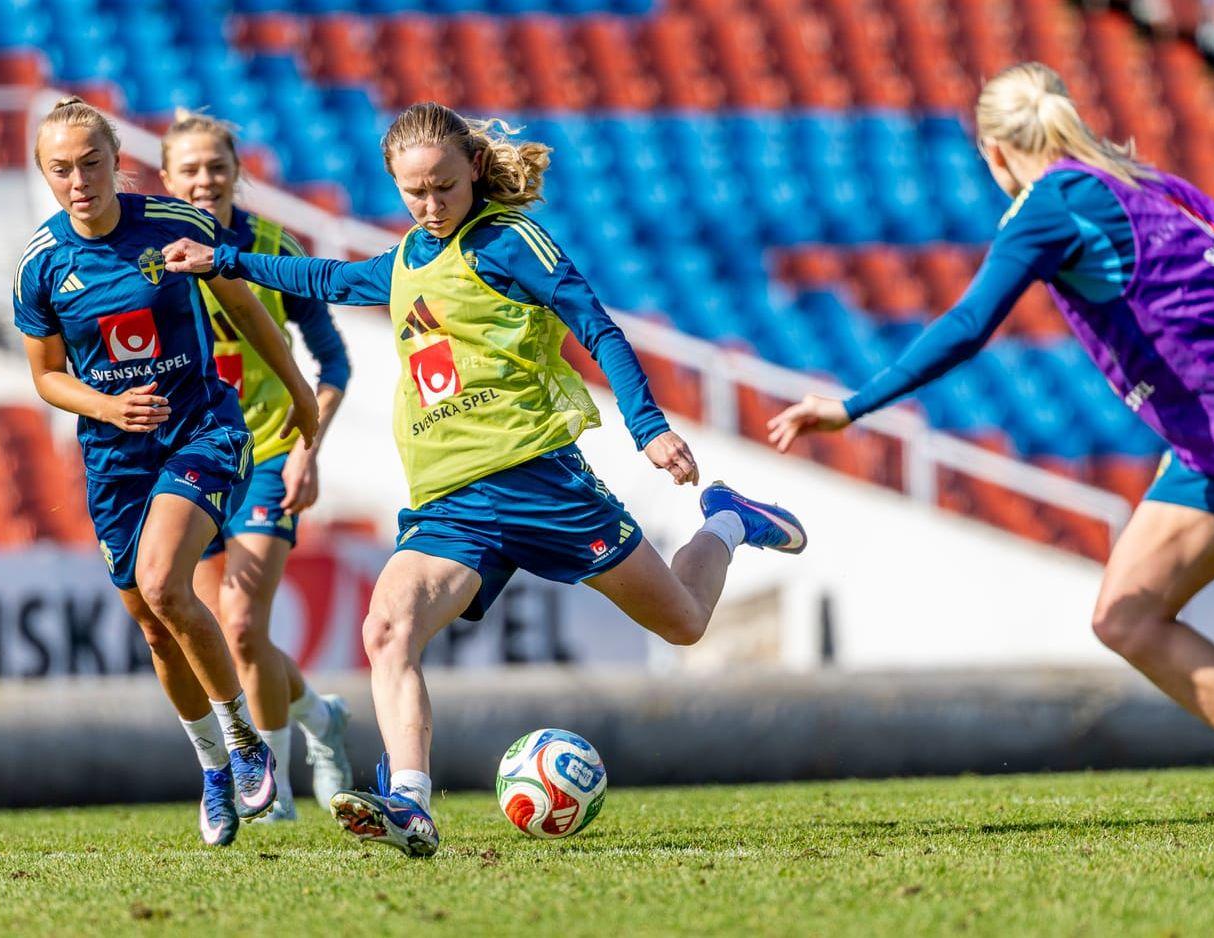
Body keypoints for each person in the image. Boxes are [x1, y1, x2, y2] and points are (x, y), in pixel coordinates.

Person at [163, 101, 808, 858]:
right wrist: (226, 260)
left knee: (685, 622)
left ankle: (727, 519)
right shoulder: (406, 260)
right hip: (447, 504)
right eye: (414, 192)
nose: (430, 205)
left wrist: (650, 429)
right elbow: (329, 276)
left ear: (473, 166)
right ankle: (410, 803)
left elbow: (596, 326)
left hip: (539, 482)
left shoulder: (506, 241)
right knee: (387, 629)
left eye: (442, 187)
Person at [768, 62, 1214, 870]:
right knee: (1124, 612)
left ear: (995, 151)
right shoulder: (1151, 182)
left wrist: (852, 405)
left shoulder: (1044, 206)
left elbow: (973, 322)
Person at [15, 97, 320, 846]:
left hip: (203, 429)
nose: (80, 180)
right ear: (44, 175)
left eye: (92, 163)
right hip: (115, 458)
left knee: (163, 583)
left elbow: (246, 310)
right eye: (62, 169)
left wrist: (299, 389)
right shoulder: (41, 265)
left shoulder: (176, 225)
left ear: (119, 160)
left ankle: (247, 742)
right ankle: (215, 770)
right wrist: (107, 408)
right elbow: (47, 376)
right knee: (153, 628)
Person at [160, 110, 355, 822]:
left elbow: (333, 360)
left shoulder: (274, 245)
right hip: (190, 460)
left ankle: (270, 793)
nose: (205, 180)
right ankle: (321, 719)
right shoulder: (148, 251)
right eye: (190, 170)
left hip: (268, 453)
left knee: (242, 626)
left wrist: (309, 447)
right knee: (224, 632)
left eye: (217, 167)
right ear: (167, 180)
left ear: (238, 172)